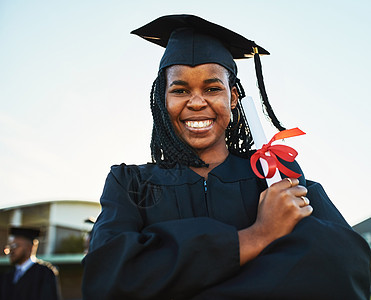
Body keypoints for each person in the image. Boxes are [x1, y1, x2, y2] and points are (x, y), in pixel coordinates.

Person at [82, 14, 371, 300]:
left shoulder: (274, 175)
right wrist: (258, 236)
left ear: (233, 97)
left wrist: (165, 275)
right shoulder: (131, 184)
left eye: (212, 88)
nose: (196, 102)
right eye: (180, 90)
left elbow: (342, 264)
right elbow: (107, 278)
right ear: (163, 99)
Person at [1, 227, 62, 300]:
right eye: (10, 247)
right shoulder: (7, 276)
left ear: (30, 247)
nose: (11, 251)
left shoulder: (44, 274)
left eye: (15, 246)